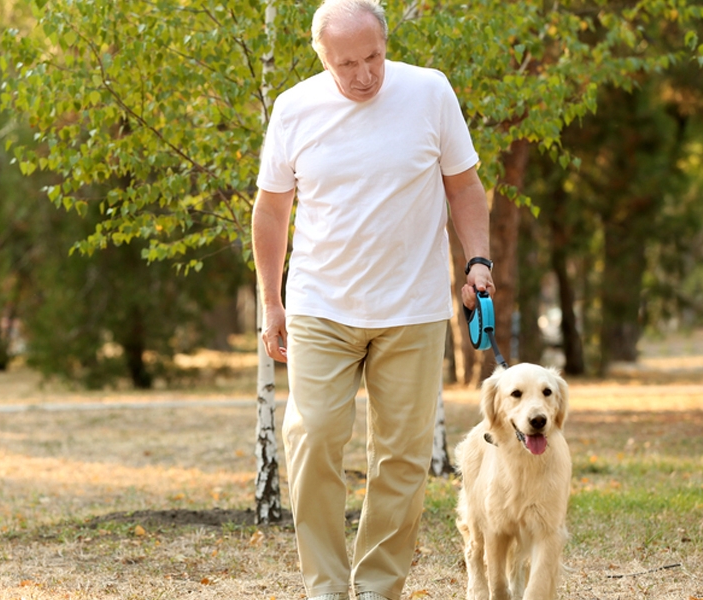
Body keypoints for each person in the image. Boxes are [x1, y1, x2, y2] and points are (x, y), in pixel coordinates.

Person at [250, 1, 494, 599]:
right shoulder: (294, 108)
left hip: (410, 308)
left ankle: (377, 589)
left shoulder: (430, 92)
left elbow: (463, 187)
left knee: (402, 460)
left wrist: (479, 262)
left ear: (387, 43)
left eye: (374, 57)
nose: (364, 75)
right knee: (312, 439)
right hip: (319, 305)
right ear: (322, 57)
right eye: (347, 63)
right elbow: (272, 209)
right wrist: (271, 303)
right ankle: (326, 589)